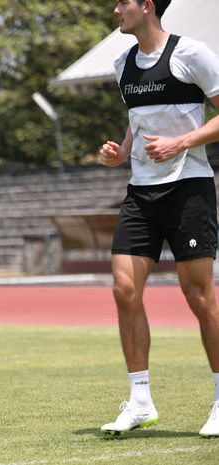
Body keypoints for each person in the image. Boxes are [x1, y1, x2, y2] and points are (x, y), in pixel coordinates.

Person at [98, 0, 219, 437]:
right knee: (123, 289)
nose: (116, 10)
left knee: (199, 296)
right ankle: (140, 401)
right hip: (140, 194)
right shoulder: (122, 63)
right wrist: (121, 153)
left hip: (189, 189)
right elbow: (137, 121)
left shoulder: (192, 54)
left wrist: (181, 142)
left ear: (147, 6)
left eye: (123, 3)